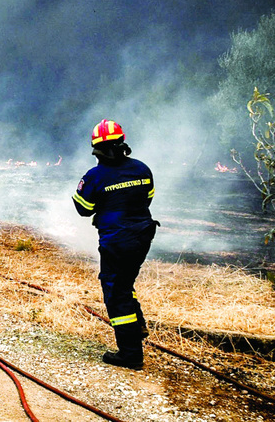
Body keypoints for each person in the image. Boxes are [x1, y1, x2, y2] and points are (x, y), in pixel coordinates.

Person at [72, 119, 159, 371]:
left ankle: (130, 354)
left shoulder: (94, 176)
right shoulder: (142, 169)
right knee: (125, 282)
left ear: (96, 149)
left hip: (116, 242)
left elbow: (83, 209)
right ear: (123, 144)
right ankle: (138, 323)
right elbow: (148, 199)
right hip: (143, 237)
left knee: (115, 291)